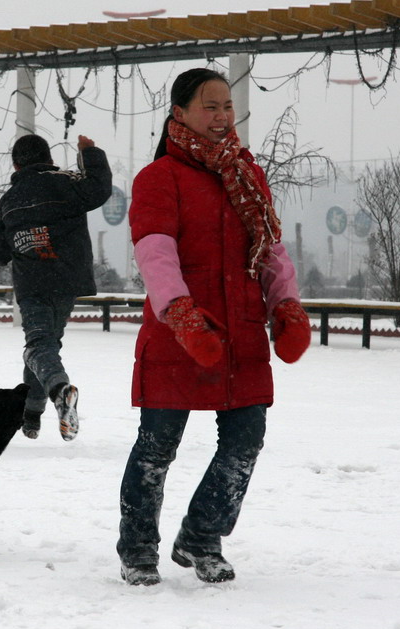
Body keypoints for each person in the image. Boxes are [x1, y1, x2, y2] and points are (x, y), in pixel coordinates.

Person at [116, 68, 312, 586]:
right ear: (179, 113)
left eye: (228, 106)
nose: (223, 116)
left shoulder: (248, 174)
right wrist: (181, 314)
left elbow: (269, 248)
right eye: (211, 106)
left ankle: (202, 536)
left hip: (240, 333)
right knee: (158, 445)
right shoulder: (158, 178)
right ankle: (137, 548)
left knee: (246, 438)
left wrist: (285, 305)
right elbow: (154, 254)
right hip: (179, 331)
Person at [0, 133, 112, 441]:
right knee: (45, 345)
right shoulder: (66, 185)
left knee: (38, 346)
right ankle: (31, 414)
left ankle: (59, 390)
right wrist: (90, 152)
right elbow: (99, 189)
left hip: (33, 285)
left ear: (15, 164)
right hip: (67, 282)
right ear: (49, 160)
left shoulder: (9, 202)